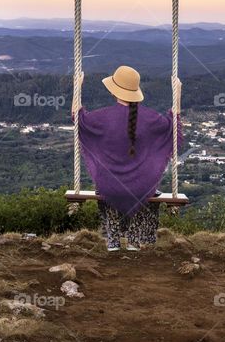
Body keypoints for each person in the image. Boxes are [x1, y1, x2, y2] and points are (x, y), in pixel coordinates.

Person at [76, 65, 182, 252]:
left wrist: (77, 87)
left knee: (106, 186)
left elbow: (78, 119)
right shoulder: (151, 118)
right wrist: (178, 93)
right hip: (141, 187)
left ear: (114, 90)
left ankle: (113, 240)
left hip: (110, 186)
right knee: (146, 189)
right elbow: (174, 127)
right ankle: (135, 239)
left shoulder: (102, 117)